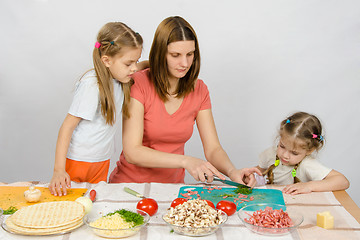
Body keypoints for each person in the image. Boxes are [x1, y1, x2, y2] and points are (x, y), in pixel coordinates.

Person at [109, 16, 261, 185]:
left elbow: (213, 149)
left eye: (190, 54)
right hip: (129, 186)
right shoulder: (139, 83)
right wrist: (185, 161)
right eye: (176, 55)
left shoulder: (200, 90)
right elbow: (133, 152)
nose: (185, 63)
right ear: (161, 54)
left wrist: (233, 172)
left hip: (172, 188)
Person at [49, 22, 146, 196]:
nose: (134, 68)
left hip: (101, 160)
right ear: (107, 60)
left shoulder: (120, 75)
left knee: (94, 204)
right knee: (70, 205)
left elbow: (138, 66)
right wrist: (58, 170)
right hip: (79, 160)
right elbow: (67, 127)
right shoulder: (92, 85)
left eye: (136, 61)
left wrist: (159, 61)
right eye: (129, 63)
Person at [255, 111, 350, 195]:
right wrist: (251, 176)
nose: (285, 155)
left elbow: (342, 181)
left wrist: (309, 186)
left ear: (310, 150)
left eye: (294, 153)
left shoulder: (307, 164)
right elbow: (259, 171)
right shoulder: (269, 153)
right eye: (282, 146)